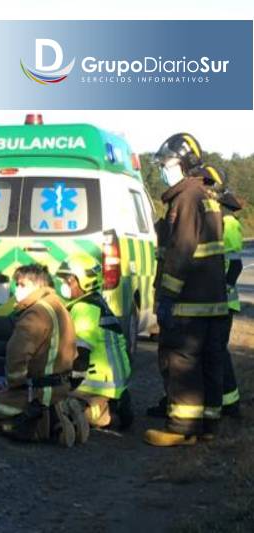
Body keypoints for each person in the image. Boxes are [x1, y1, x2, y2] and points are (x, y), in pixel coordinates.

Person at [145, 133, 227, 447]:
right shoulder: (206, 194)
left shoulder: (187, 198)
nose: (164, 168)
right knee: (209, 362)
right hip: (212, 302)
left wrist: (167, 295)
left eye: (167, 162)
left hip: (189, 302)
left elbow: (181, 250)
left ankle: (181, 428)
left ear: (183, 163)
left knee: (181, 362)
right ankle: (207, 425)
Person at [0, 264, 88, 447]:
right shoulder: (58, 306)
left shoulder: (34, 313)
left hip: (40, 391)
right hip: (62, 385)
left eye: (22, 285)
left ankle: (49, 424)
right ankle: (64, 407)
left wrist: (15, 382)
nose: (17, 290)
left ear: (37, 286)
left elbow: (17, 353)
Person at [55, 254, 133, 430]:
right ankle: (114, 406)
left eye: (68, 280)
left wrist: (68, 385)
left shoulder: (84, 309)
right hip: (114, 383)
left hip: (98, 384)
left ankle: (103, 413)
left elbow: (81, 356)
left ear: (83, 281)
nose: (64, 285)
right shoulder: (96, 302)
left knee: (58, 406)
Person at [203, 165, 244, 418]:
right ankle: (228, 401)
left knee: (216, 351)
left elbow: (234, 265)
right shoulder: (222, 221)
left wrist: (220, 289)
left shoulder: (227, 224)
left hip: (222, 301)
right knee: (216, 350)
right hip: (220, 300)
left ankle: (229, 402)